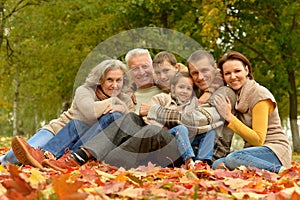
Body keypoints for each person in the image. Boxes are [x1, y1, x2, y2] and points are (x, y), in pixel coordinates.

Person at [10, 59, 134, 168]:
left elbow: (129, 126)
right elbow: (89, 113)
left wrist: (122, 108)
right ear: (100, 80)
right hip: (58, 132)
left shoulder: (126, 100)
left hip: (89, 144)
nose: (115, 85)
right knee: (11, 159)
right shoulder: (85, 91)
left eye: (119, 80)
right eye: (109, 80)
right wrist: (114, 101)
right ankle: (47, 154)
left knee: (115, 117)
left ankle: (64, 158)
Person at [212, 51, 291, 173]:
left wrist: (228, 116)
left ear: (247, 70)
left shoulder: (259, 95)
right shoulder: (238, 97)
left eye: (237, 71)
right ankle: (245, 173)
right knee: (217, 164)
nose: (233, 76)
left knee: (233, 158)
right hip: (253, 151)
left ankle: (283, 172)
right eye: (227, 73)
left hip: (274, 150)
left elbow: (258, 139)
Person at [147, 71, 218, 169]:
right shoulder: (162, 98)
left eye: (189, 89)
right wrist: (162, 127)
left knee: (210, 131)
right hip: (167, 137)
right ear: (173, 88)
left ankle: (201, 162)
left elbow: (196, 122)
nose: (184, 91)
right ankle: (189, 161)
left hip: (186, 139)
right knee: (180, 128)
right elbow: (149, 116)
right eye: (181, 87)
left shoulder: (193, 104)